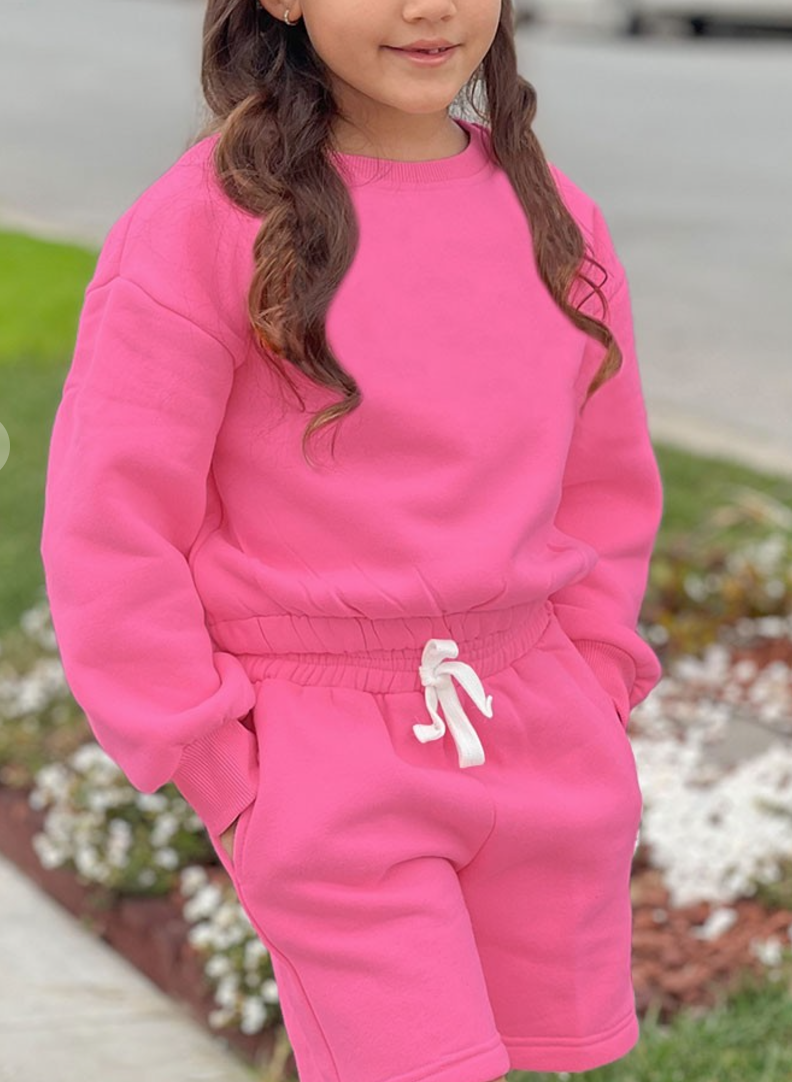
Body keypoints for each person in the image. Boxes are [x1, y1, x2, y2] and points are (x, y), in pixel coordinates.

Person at [39, 1, 664, 1079]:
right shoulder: (204, 225)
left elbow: (605, 484)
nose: (429, 8)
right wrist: (221, 765)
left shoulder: (560, 221)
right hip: (323, 760)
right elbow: (112, 520)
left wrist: (597, 680)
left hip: (543, 726)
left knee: (546, 1058)